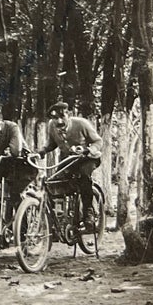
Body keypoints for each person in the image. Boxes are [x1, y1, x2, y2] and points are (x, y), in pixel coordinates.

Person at [42, 97, 102, 231]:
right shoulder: (52, 126)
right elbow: (51, 144)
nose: (59, 121)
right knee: (54, 183)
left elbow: (98, 141)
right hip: (68, 160)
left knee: (84, 177)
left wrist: (88, 150)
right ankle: (59, 221)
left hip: (88, 159)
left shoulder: (81, 124)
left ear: (68, 114)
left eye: (62, 117)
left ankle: (88, 213)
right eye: (55, 118)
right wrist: (41, 152)